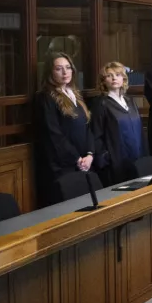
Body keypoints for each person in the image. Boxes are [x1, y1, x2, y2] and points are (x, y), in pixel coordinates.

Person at [33, 53, 96, 206]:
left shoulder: (74, 93)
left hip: (83, 162)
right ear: (50, 72)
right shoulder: (45, 97)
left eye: (68, 68)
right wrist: (76, 158)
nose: (65, 72)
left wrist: (89, 154)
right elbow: (53, 133)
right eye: (59, 69)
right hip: (62, 165)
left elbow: (87, 127)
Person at [92, 62, 147, 186]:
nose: (114, 78)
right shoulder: (101, 104)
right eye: (109, 75)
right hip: (116, 163)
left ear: (124, 78)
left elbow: (140, 131)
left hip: (137, 157)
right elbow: (96, 136)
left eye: (118, 74)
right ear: (103, 80)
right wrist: (107, 158)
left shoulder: (129, 101)